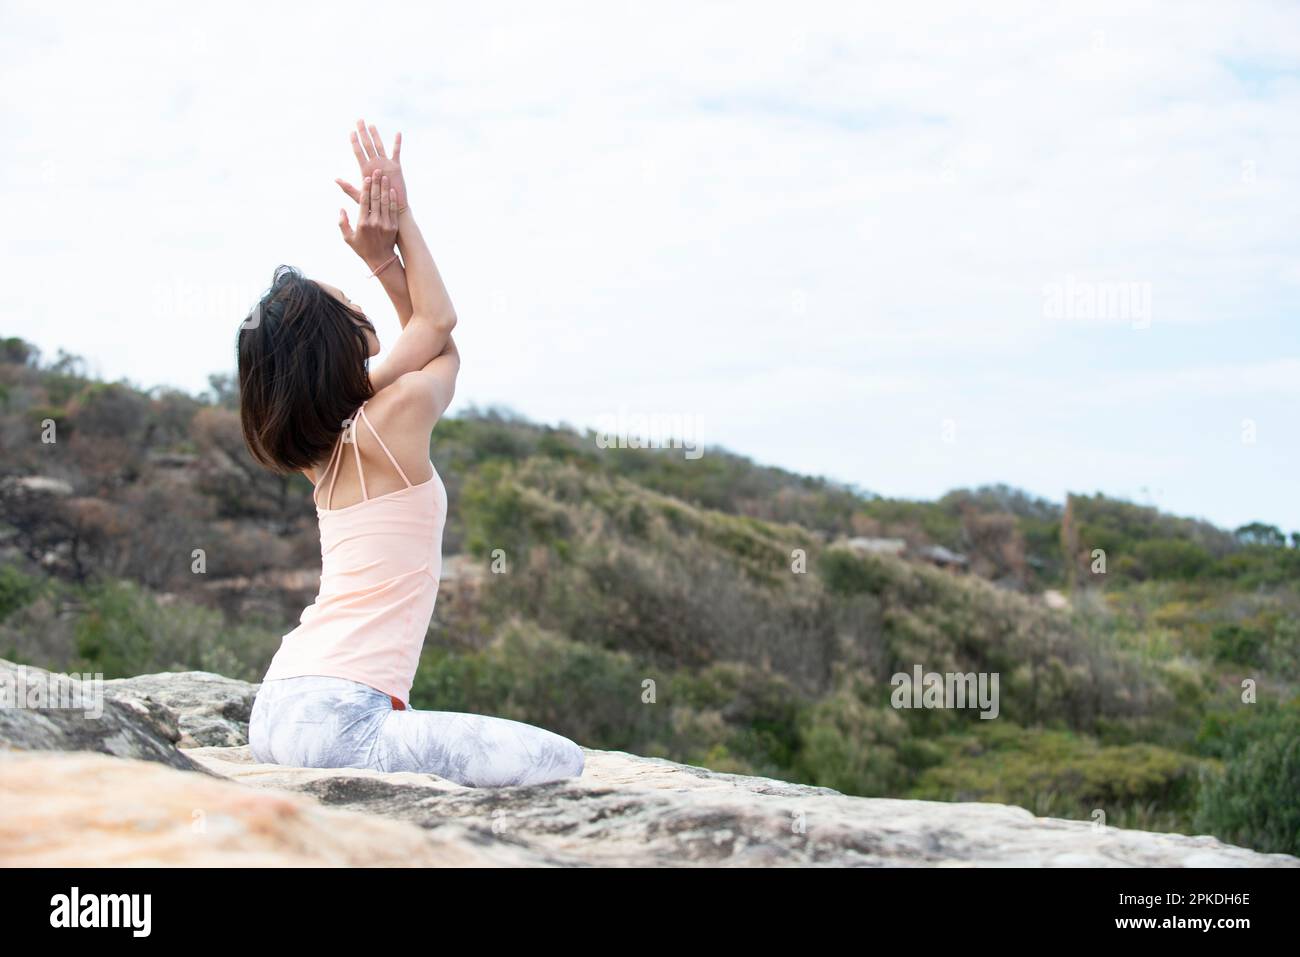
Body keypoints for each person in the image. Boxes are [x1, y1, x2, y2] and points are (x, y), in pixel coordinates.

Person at [240, 120, 584, 787]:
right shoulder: (389, 418)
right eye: (349, 303)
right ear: (337, 340)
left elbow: (423, 340)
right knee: (561, 762)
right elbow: (440, 336)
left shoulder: (323, 446)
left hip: (277, 706)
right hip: (341, 715)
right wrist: (394, 236)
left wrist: (386, 259)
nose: (359, 304)